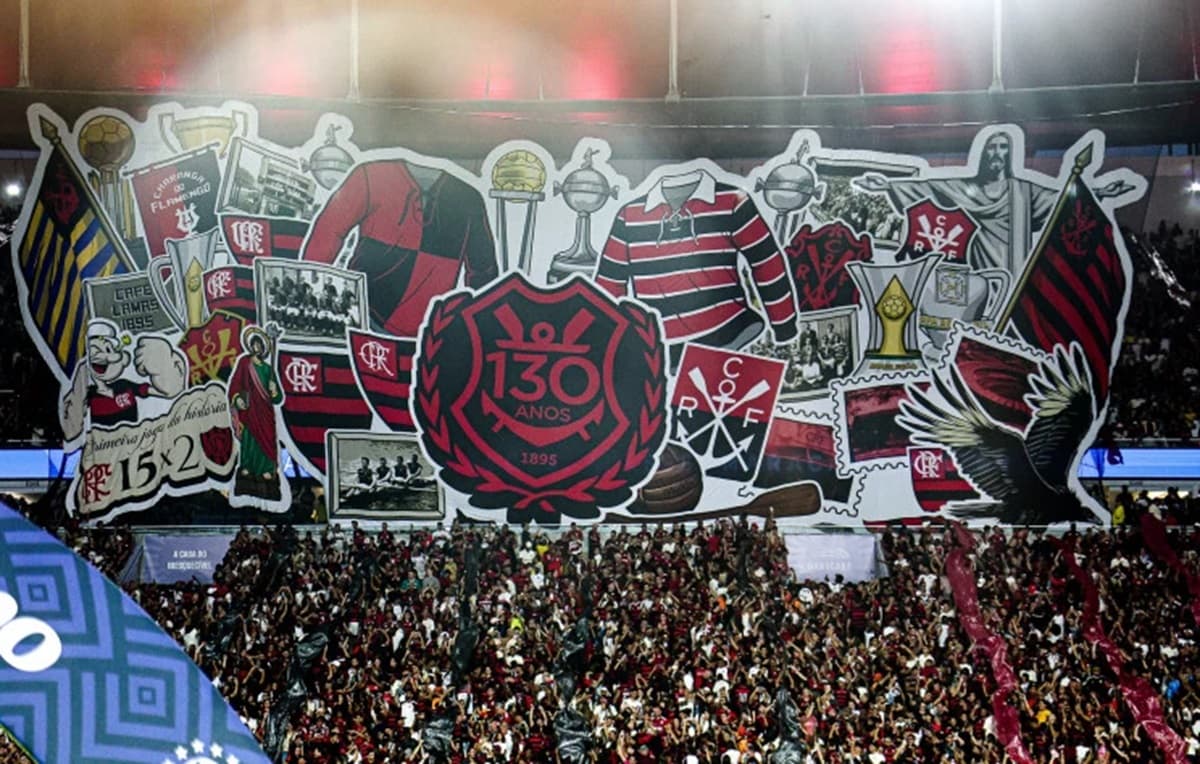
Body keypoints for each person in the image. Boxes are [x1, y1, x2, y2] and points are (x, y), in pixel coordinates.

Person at [227, 326, 285, 501]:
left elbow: (277, 398)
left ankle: (266, 470)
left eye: (260, 345)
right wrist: (237, 398)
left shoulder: (268, 369)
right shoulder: (244, 362)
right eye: (254, 344)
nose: (256, 348)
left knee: (266, 439)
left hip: (265, 410)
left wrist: (274, 391)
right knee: (249, 439)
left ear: (263, 348)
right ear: (250, 346)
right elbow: (235, 384)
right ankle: (247, 468)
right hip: (249, 408)